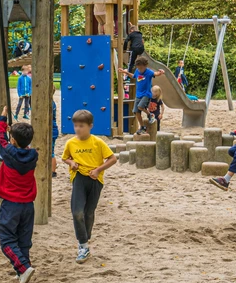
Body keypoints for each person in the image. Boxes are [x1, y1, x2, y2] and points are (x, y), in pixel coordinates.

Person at [61, 109, 118, 264]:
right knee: (77, 212)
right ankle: (83, 245)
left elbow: (112, 159)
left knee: (89, 212)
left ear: (90, 126)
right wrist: (72, 163)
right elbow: (65, 158)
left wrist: (98, 170)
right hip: (78, 178)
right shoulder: (70, 143)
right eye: (76, 126)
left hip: (95, 180)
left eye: (81, 126)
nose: (78, 129)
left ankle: (86, 238)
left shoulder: (98, 142)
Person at [0, 115, 38, 283]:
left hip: (11, 204)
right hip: (28, 205)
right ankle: (23, 272)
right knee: (23, 240)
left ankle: (23, 267)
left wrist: (2, 119)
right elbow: (9, 141)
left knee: (6, 239)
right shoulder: (33, 155)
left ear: (12, 139)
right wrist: (13, 134)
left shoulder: (9, 153)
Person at [120, 55, 164, 122]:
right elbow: (134, 76)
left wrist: (161, 72)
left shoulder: (149, 72)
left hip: (146, 94)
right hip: (138, 94)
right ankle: (142, 127)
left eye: (141, 68)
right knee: (136, 112)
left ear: (145, 66)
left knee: (140, 107)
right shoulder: (137, 71)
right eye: (139, 68)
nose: (140, 70)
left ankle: (150, 115)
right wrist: (125, 72)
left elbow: (156, 73)